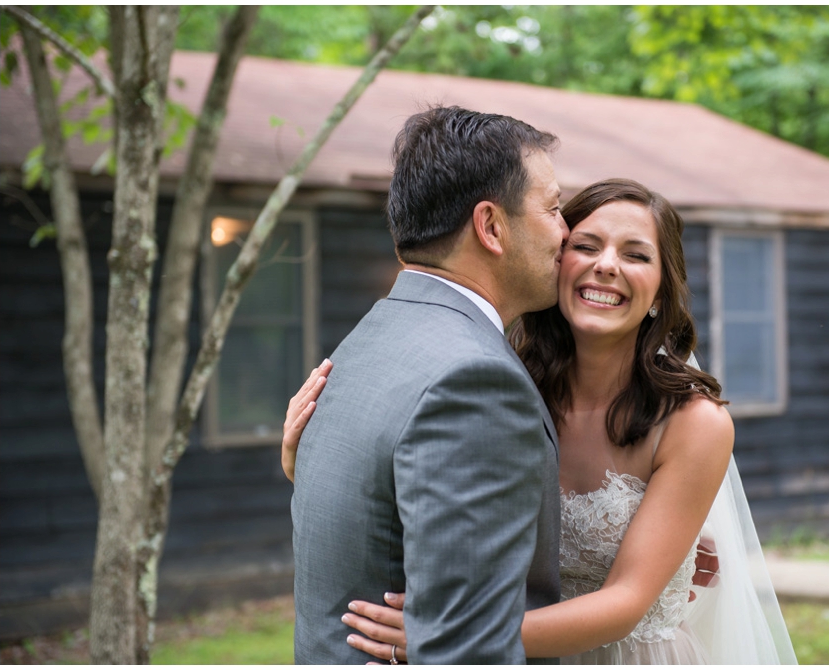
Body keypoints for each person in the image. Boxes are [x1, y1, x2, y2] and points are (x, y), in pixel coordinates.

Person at [284, 179, 797, 664]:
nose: (607, 266)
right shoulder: (497, 384)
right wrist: (303, 461)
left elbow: (625, 602)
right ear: (558, 261)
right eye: (587, 246)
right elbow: (426, 498)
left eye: (636, 255)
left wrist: (451, 634)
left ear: (661, 293)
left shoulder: (692, 422)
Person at [290, 106, 567, 664]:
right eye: (555, 208)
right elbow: (468, 650)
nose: (567, 232)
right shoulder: (475, 381)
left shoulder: (367, 340)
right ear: (491, 226)